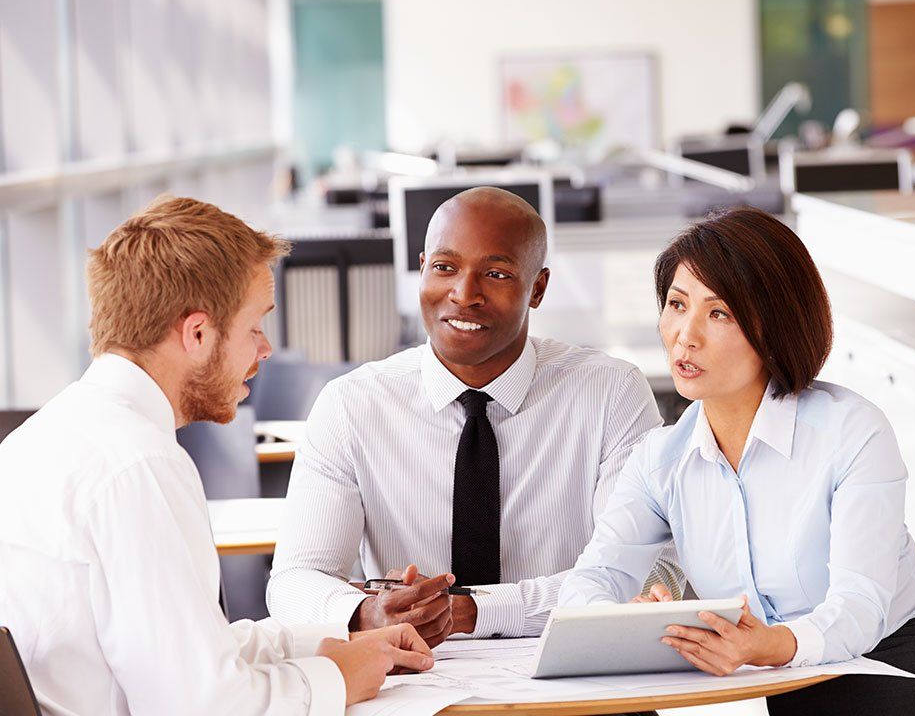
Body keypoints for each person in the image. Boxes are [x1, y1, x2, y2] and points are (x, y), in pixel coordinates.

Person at [0, 196, 436, 716]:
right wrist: (338, 678)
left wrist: (344, 631)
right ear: (198, 333)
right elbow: (201, 705)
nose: (265, 349)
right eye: (255, 327)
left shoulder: (45, 436)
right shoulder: (140, 465)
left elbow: (191, 652)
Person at [558, 207, 915, 715]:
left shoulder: (851, 431)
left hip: (891, 675)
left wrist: (764, 645)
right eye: (676, 304)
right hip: (778, 688)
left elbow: (859, 609)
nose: (684, 335)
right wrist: (619, 620)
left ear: (775, 326)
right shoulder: (660, 459)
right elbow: (589, 581)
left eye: (720, 313)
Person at [267, 186, 664, 643]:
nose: (463, 293)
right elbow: (294, 581)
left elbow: (640, 573)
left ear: (537, 289)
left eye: (495, 273)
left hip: (578, 676)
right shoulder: (352, 405)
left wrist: (475, 612)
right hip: (418, 683)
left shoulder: (610, 394)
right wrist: (363, 612)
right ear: (421, 269)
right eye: (444, 267)